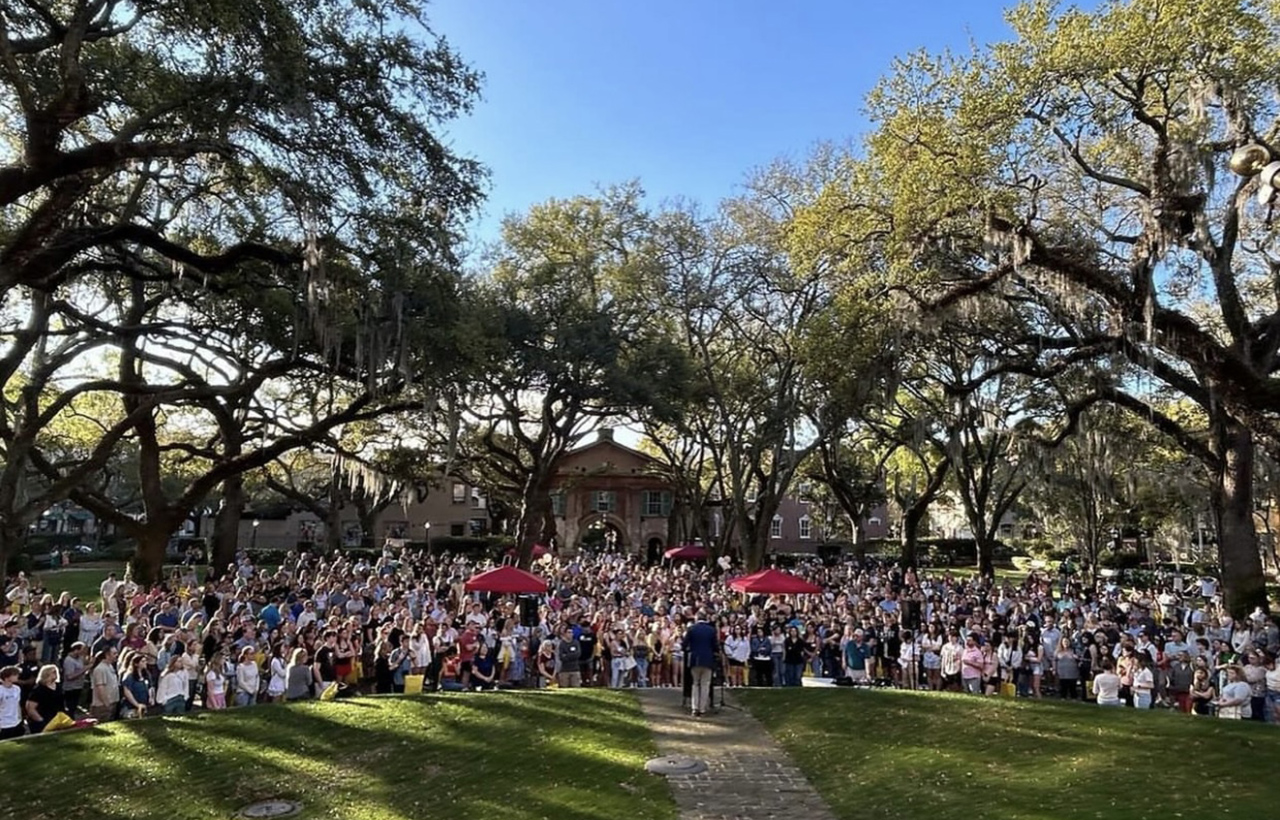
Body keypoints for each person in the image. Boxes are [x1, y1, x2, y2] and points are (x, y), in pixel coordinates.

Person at [684, 610, 718, 717]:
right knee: (705, 684)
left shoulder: (691, 629)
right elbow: (715, 646)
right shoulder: (711, 630)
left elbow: (684, 644)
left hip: (694, 659)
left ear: (696, 618)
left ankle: (695, 708)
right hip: (708, 660)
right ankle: (702, 709)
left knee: (695, 684)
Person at [0, 666, 24, 740]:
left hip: (16, 722)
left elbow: (18, 705)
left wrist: (20, 719)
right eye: (14, 674)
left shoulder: (17, 689)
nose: (18, 676)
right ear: (7, 677)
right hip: (4, 724)